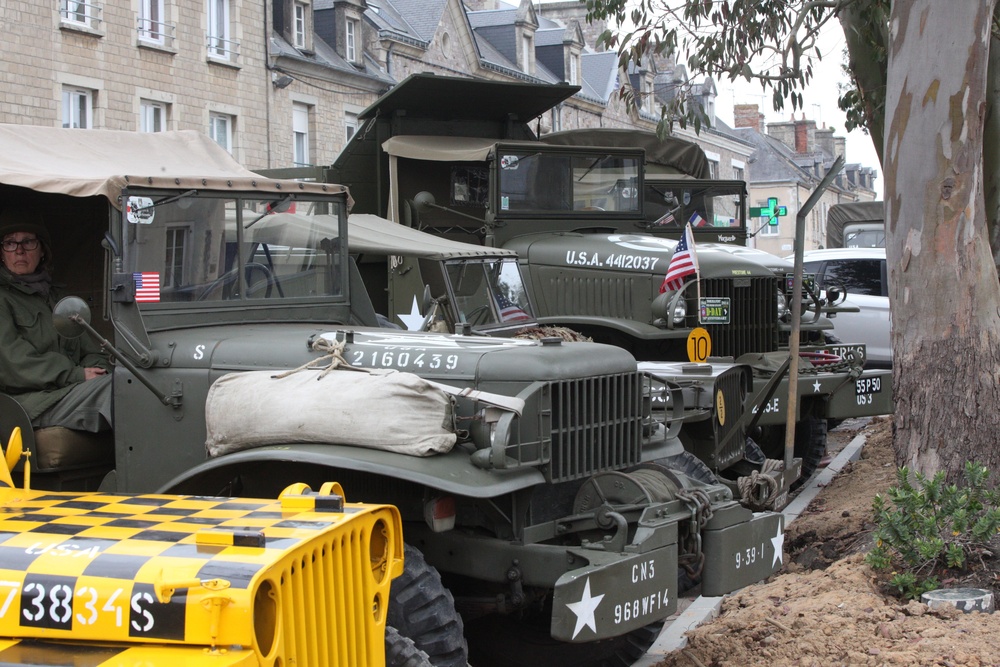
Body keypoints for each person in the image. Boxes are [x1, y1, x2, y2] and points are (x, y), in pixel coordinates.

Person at [0, 207, 112, 433]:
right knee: (118, 392)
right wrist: (77, 375)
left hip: (67, 391)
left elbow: (92, 347)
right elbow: (13, 363)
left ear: (42, 250)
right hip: (29, 403)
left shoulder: (57, 298)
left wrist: (97, 369)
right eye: (10, 243)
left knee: (130, 384)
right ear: (2, 253)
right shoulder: (3, 299)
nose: (20, 250)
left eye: (28, 242)